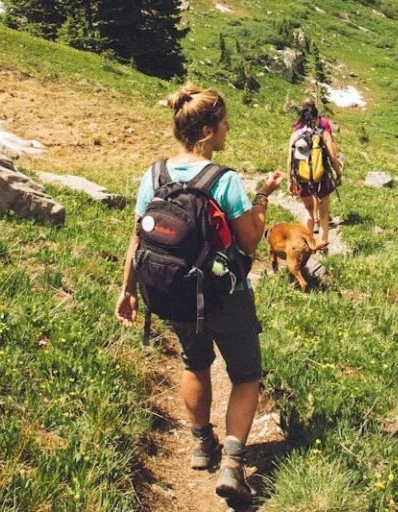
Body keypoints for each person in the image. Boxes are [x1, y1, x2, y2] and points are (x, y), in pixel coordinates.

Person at [115, 83, 283, 502]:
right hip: (226, 293)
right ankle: (232, 462)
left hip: (174, 293)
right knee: (246, 375)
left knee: (195, 363)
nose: (228, 130)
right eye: (224, 123)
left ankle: (200, 443)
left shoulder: (154, 175)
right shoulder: (223, 180)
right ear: (208, 130)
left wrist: (128, 291)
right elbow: (248, 242)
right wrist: (262, 196)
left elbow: (138, 237)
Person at [287, 98, 343, 245]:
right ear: (316, 116)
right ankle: (323, 245)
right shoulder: (323, 133)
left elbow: (289, 161)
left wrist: (290, 180)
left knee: (308, 210)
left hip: (302, 178)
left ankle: (307, 244)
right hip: (321, 178)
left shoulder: (295, 134)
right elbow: (332, 156)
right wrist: (338, 174)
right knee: (324, 215)